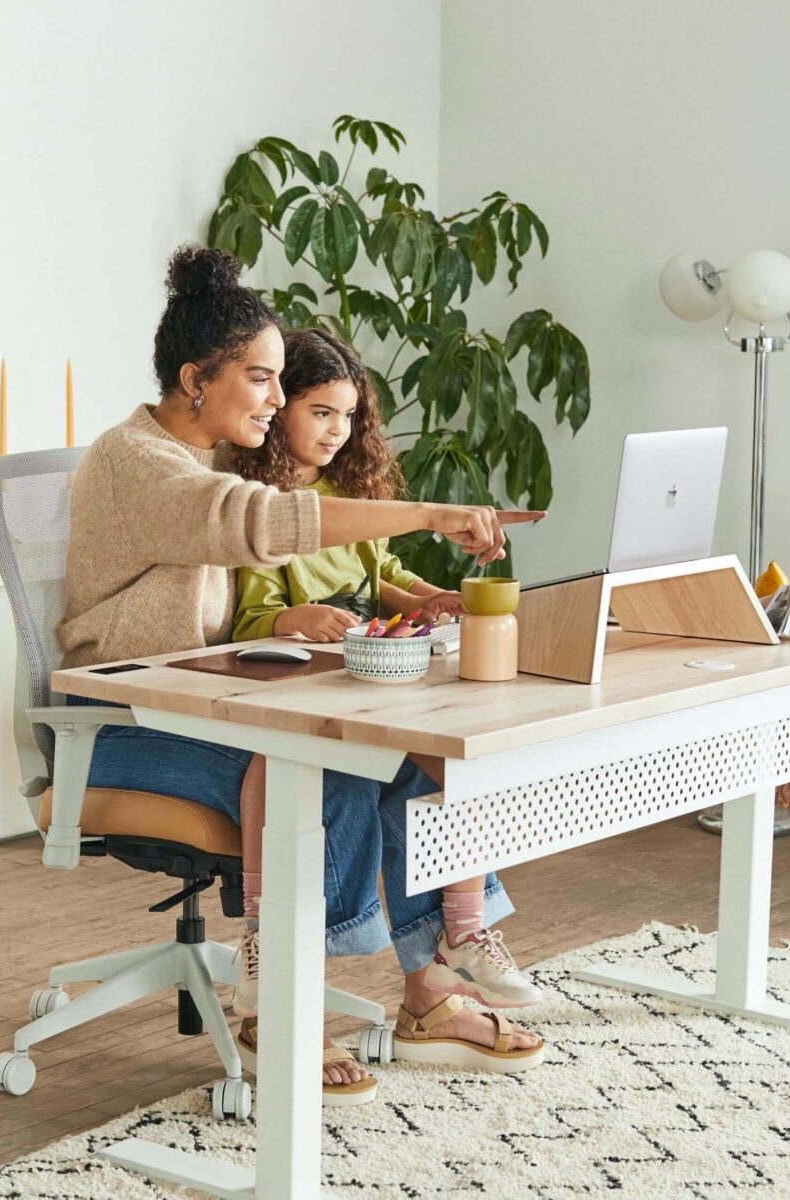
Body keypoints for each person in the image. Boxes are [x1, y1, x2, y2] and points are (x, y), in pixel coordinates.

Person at [58, 245, 543, 1107]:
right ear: (195, 379)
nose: (278, 400)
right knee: (328, 763)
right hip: (122, 723)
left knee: (404, 756)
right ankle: (275, 997)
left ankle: (433, 990)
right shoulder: (138, 462)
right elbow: (266, 523)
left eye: (282, 381)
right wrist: (431, 513)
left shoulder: (212, 456)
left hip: (202, 701)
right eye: (261, 379)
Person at [228, 329, 543, 1057]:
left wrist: (430, 599)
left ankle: (460, 938)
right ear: (279, 407)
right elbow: (250, 618)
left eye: (347, 416)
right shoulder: (264, 505)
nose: (336, 431)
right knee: (355, 769)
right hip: (301, 692)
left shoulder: (351, 495)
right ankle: (275, 959)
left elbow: (382, 578)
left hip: (366, 679)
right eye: (320, 413)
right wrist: (296, 617)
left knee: (449, 765)